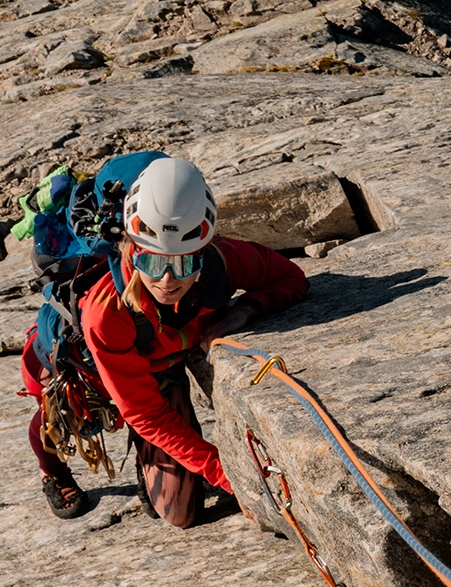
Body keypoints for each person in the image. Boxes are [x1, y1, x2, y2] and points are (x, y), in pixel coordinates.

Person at [20, 156, 308, 524]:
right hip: (83, 372)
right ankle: (53, 472)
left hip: (158, 369)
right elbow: (142, 412)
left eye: (184, 264)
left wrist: (246, 309)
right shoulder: (106, 311)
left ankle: (148, 455)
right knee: (50, 423)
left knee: (179, 513)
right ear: (131, 249)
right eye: (153, 263)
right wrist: (229, 475)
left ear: (201, 253)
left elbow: (291, 278)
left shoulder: (222, 262)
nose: (168, 280)